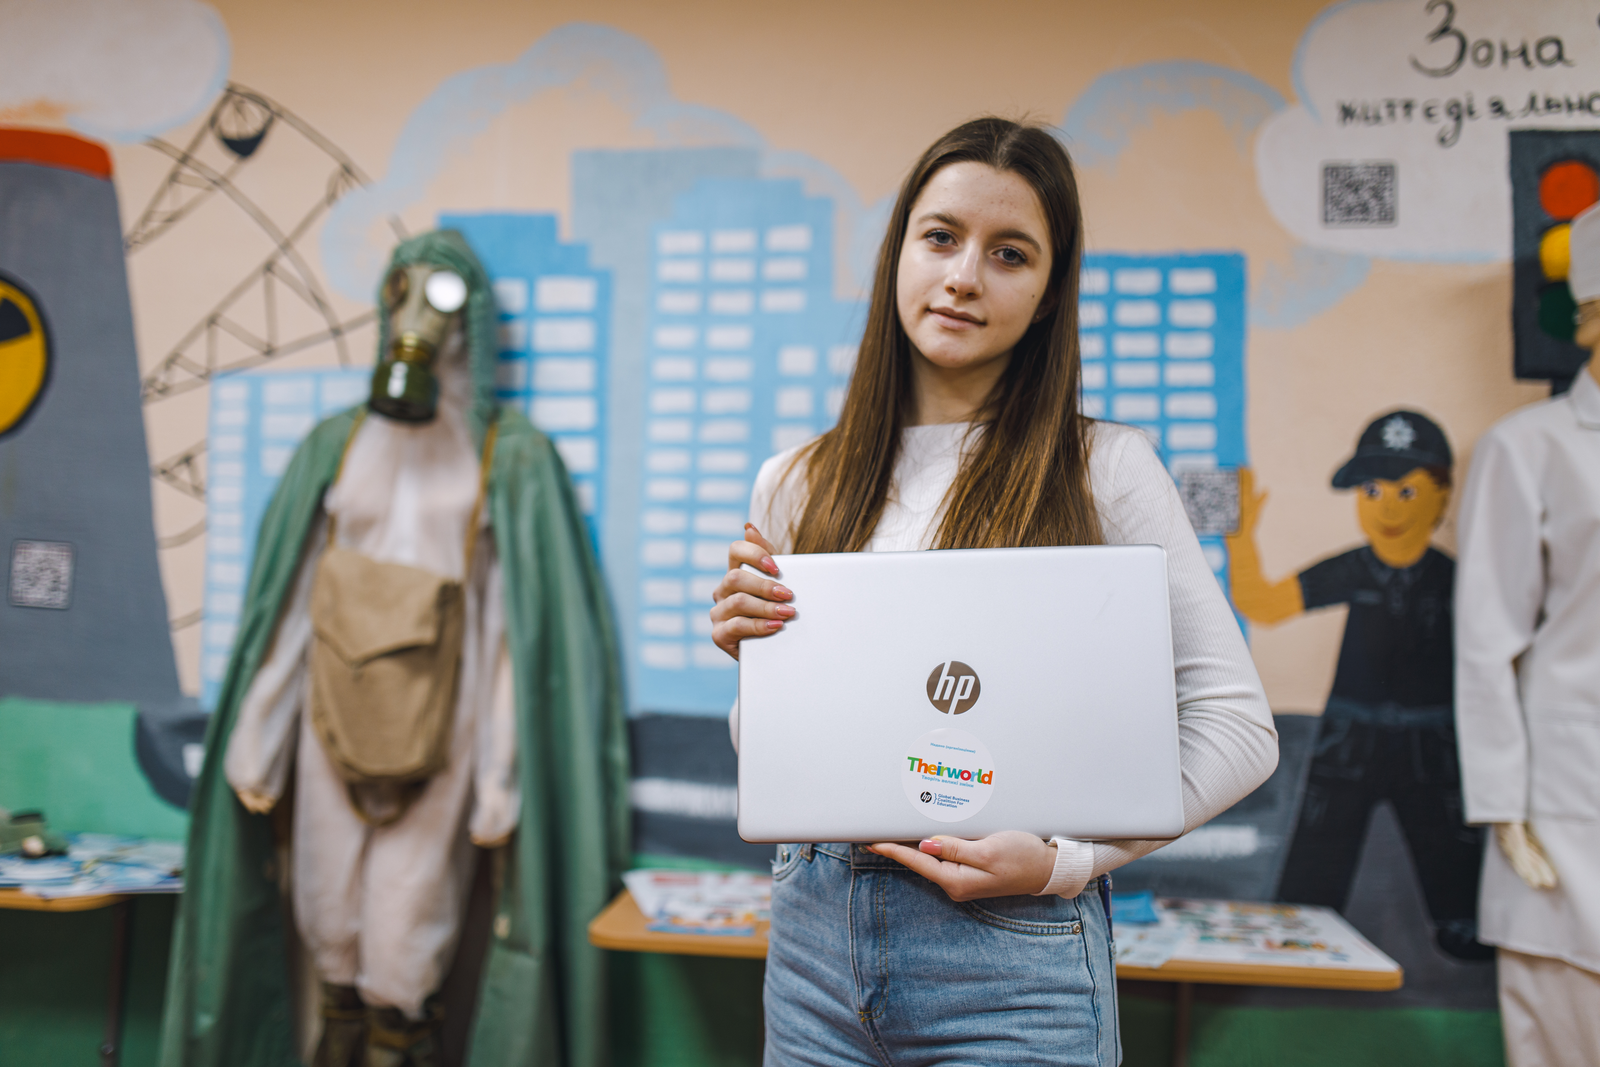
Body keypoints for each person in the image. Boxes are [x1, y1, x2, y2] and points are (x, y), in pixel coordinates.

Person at [710, 117, 1277, 1065]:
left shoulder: (1107, 468)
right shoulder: (795, 480)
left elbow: (1237, 727)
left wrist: (1071, 858)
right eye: (940, 237)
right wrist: (755, 666)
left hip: (1016, 964)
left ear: (1051, 294)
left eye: (1009, 253)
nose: (965, 275)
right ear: (900, 253)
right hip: (811, 949)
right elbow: (780, 764)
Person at [160, 231, 629, 1067]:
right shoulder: (337, 448)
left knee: (407, 932)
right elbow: (294, 603)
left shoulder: (503, 458)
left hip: (443, 734)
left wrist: (501, 777)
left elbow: (507, 634)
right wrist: (257, 735)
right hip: (327, 726)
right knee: (327, 917)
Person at [1226, 412, 1489, 961]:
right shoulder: (1352, 569)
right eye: (1372, 490)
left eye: (1407, 489)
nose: (1388, 506)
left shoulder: (1455, 579)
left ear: (1442, 497)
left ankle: (1461, 928)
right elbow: (1265, 605)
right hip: (1350, 738)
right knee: (1308, 890)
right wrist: (1240, 537)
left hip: (1432, 741)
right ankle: (1296, 938)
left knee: (1457, 885)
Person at [1454, 201, 1600, 1066]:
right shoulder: (1532, 447)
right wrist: (1506, 807)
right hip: (1566, 789)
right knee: (1562, 1019)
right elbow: (1486, 638)